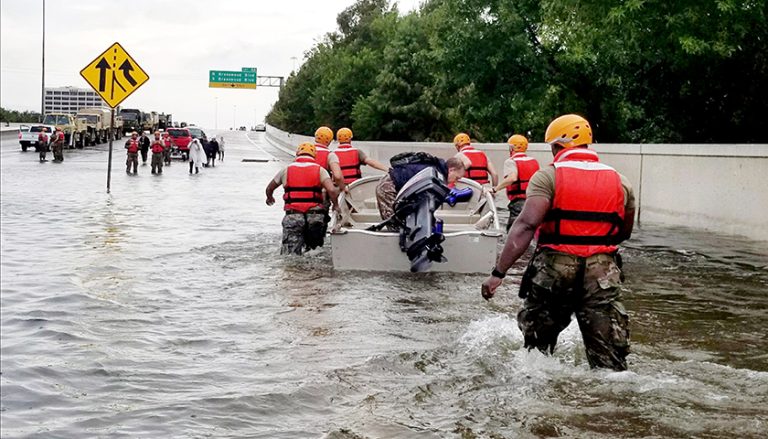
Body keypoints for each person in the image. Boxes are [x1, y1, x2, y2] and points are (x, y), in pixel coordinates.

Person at [481, 114, 636, 371]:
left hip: (555, 269)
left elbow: (526, 225)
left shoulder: (548, 177)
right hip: (602, 272)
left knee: (537, 355)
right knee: (609, 364)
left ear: (556, 146)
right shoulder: (620, 181)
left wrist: (498, 273)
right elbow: (623, 232)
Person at [265, 142, 339, 255]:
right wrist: (336, 205)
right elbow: (332, 190)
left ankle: (293, 271)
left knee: (290, 255)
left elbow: (269, 188)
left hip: (293, 215)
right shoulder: (320, 170)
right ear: (314, 155)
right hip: (315, 216)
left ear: (297, 154)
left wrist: (269, 198)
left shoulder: (286, 170)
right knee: (315, 253)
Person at [375, 153, 466, 226]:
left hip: (393, 183)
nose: (456, 181)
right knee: (395, 225)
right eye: (457, 178)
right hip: (388, 187)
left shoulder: (436, 169)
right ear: (451, 170)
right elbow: (425, 201)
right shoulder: (436, 175)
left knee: (404, 224)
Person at [492, 134, 541, 231]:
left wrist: (495, 189)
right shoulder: (533, 161)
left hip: (519, 201)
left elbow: (512, 178)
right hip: (533, 200)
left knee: (514, 230)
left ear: (511, 148)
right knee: (531, 229)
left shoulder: (511, 161)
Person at [328, 127, 390, 191]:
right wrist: (387, 169)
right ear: (350, 139)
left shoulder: (332, 154)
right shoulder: (357, 152)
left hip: (339, 187)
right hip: (355, 186)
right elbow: (371, 162)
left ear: (338, 140)